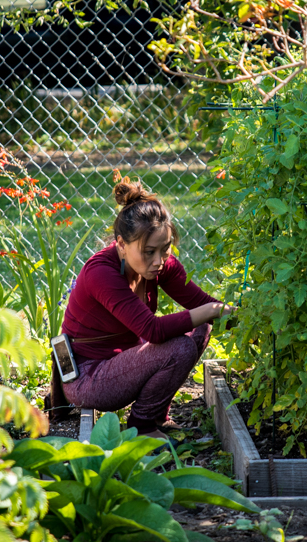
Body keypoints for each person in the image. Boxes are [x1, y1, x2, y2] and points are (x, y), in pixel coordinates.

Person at [52, 178, 234, 440]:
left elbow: (201, 301)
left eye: (165, 248)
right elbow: (153, 330)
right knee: (182, 344)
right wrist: (211, 311)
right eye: (149, 251)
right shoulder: (101, 272)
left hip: (124, 360)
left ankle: (156, 414)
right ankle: (142, 427)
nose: (159, 260)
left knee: (200, 327)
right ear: (122, 245)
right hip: (88, 376)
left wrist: (246, 317)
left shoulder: (160, 264)